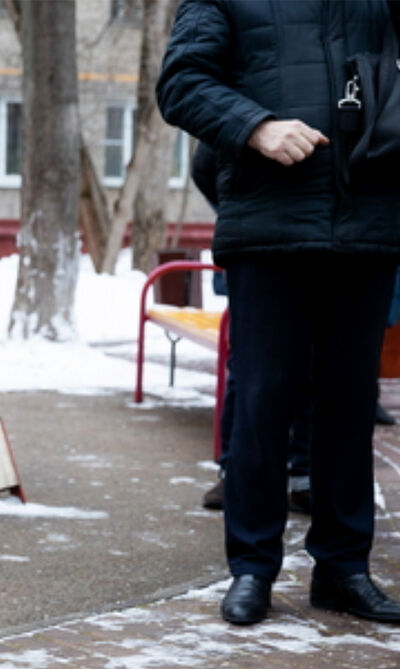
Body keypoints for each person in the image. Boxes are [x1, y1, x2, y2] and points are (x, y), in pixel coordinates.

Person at [158, 0, 400, 626]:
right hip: (268, 229)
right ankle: (253, 569)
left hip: (369, 226)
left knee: (349, 405)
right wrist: (257, 126)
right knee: (264, 402)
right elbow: (181, 83)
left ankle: (343, 568)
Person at [191, 143, 312, 516]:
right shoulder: (244, 94)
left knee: (308, 366)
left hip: (323, 250)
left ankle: (302, 476)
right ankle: (239, 474)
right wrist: (244, 215)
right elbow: (206, 166)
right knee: (251, 370)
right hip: (257, 251)